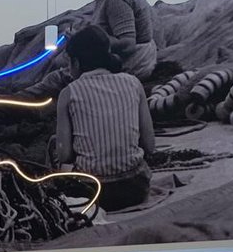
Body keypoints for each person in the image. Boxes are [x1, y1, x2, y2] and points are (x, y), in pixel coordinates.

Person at [55, 24, 157, 211]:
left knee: (53, 148)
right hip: (135, 188)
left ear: (76, 62)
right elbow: (150, 145)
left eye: (69, 63)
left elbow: (64, 154)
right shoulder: (133, 83)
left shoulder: (68, 93)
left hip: (91, 193)